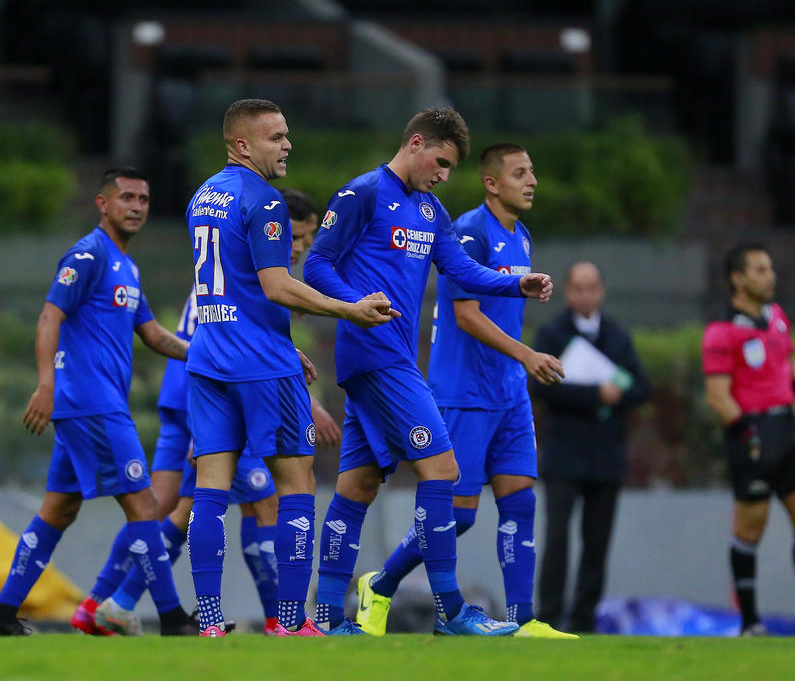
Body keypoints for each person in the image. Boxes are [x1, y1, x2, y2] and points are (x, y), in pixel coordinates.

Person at [305, 109, 554, 636]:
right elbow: (317, 264)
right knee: (443, 470)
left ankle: (327, 618)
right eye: (440, 162)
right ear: (416, 143)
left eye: (450, 168)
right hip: (375, 354)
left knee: (357, 485)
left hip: (391, 356)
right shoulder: (363, 193)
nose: (443, 175)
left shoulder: (431, 210)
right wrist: (353, 303)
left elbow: (460, 270)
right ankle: (452, 611)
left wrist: (515, 284)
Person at [79, 188, 339, 638]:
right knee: (260, 501)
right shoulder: (255, 269)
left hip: (190, 386)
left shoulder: (226, 260)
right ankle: (281, 618)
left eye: (306, 239)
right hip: (217, 389)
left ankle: (106, 602)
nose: (300, 246)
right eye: (296, 235)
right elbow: (239, 340)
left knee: (168, 506)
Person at [185, 99, 398, 638]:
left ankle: (208, 622)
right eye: (275, 137)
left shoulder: (202, 196)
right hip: (261, 366)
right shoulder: (265, 200)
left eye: (286, 135)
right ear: (242, 145)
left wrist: (278, 340)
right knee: (296, 483)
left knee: (210, 490)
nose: (287, 146)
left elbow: (232, 286)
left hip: (209, 358)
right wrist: (350, 308)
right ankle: (289, 621)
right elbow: (277, 286)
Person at [354, 144, 576, 639]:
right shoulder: (470, 231)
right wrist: (528, 355)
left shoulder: (521, 236)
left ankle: (522, 620)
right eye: (520, 173)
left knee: (520, 502)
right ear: (491, 183)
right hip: (464, 393)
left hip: (509, 394)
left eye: (532, 171)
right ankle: (381, 584)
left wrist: (519, 366)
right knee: (459, 515)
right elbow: (466, 314)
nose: (532, 181)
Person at [0, 167, 197, 636]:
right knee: (144, 506)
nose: (136, 207)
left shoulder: (128, 267)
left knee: (59, 510)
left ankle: (0, 616)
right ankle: (173, 619)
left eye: (143, 199)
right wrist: (45, 385)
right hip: (92, 404)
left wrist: (207, 354)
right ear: (103, 203)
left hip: (91, 407)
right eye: (126, 197)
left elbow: (154, 335)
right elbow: (49, 317)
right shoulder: (89, 253)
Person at [702, 243, 795, 637]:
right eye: (761, 270)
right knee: (751, 527)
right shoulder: (721, 330)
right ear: (738, 279)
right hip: (753, 436)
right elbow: (718, 396)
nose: (771, 276)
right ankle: (750, 624)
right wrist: (749, 437)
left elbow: (790, 362)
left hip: (790, 432)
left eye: (770, 268)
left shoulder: (777, 317)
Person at [530, 261, 650, 633]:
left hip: (606, 454)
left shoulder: (616, 335)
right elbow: (540, 386)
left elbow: (640, 386)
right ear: (568, 292)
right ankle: (549, 616)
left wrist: (618, 394)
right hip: (564, 453)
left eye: (592, 287)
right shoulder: (551, 334)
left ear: (601, 291)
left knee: (597, 542)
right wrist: (595, 394)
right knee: (557, 538)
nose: (585, 295)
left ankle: (584, 618)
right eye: (578, 288)